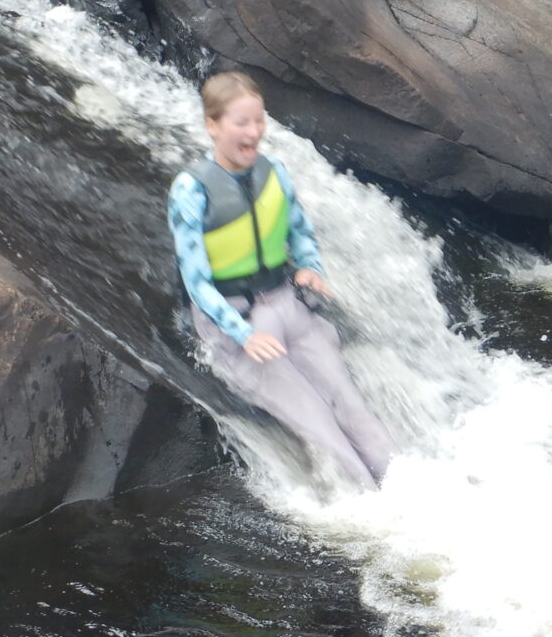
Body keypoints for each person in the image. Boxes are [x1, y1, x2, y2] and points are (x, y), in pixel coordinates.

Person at [168, 72, 395, 488]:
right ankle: (377, 512)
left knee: (351, 407)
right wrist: (242, 333)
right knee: (320, 427)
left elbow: (300, 232)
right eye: (242, 122)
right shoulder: (191, 190)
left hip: (287, 304)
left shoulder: (275, 173)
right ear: (212, 125)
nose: (254, 132)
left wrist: (311, 267)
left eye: (259, 120)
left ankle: (406, 489)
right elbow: (196, 281)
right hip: (236, 323)